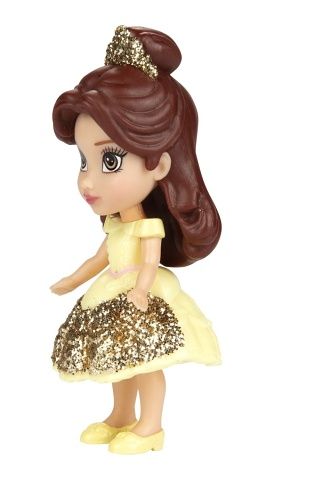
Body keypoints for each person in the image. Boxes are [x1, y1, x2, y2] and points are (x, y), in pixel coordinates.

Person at [50, 25, 222, 455]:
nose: (87, 180)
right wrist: (72, 280)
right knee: (118, 360)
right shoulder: (115, 225)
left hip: (139, 296)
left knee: (147, 362)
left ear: (159, 165)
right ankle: (121, 414)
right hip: (113, 291)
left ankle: (151, 425)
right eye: (84, 160)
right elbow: (100, 258)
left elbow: (149, 261)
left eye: (109, 160)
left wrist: (143, 289)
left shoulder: (148, 227)